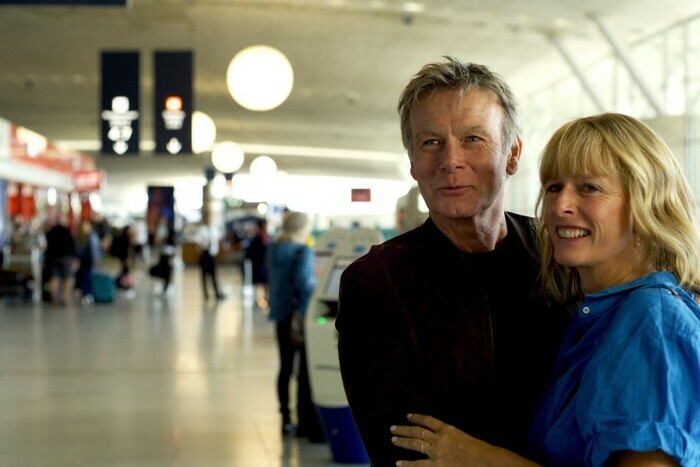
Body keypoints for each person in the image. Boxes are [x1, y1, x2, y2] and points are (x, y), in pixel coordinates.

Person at [390, 113, 700, 466]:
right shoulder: (595, 317)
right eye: (553, 187)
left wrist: (481, 459)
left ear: (647, 202)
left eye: (589, 188)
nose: (559, 206)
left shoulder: (652, 322)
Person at [335, 56, 571, 465]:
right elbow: (405, 452)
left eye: (473, 139)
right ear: (412, 161)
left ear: (513, 155)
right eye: (430, 142)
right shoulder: (377, 283)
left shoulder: (559, 254)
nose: (450, 161)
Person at [267, 211, 325, 443]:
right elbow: (305, 284)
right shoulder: (303, 251)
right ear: (302, 229)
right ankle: (305, 422)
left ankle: (285, 418)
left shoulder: (273, 250)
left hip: (281, 316)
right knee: (304, 372)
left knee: (285, 368)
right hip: (299, 319)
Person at [44, 212, 78, 305]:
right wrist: (75, 258)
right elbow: (72, 246)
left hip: (53, 258)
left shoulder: (51, 231)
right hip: (65, 258)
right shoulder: (67, 231)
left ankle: (54, 299)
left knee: (54, 278)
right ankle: (64, 297)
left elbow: (47, 246)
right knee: (68, 277)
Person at [196, 212, 223, 301]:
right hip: (205, 254)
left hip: (212, 254)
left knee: (214, 274)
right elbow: (198, 243)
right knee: (204, 275)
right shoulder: (202, 230)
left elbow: (217, 242)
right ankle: (206, 294)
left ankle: (217, 293)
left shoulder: (214, 229)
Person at [74, 219, 102, 304]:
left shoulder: (78, 236)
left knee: (84, 276)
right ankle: (87, 293)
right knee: (87, 276)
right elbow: (95, 249)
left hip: (83, 259)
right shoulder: (91, 236)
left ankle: (85, 293)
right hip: (88, 259)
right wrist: (97, 259)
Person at [244, 218, 269, 309]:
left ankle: (265, 299)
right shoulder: (255, 239)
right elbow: (249, 253)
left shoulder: (267, 237)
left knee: (265, 283)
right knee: (258, 284)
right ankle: (257, 300)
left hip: (265, 266)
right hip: (258, 265)